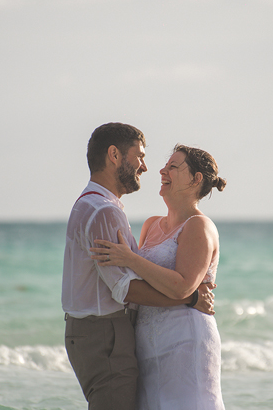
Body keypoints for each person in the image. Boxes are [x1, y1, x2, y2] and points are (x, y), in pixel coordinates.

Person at [62, 123, 215, 410]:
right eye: (140, 156)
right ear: (114, 155)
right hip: (106, 336)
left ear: (195, 180)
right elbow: (126, 288)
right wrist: (191, 298)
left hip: (173, 340)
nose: (147, 167)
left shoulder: (99, 205)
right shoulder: (105, 210)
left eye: (172, 167)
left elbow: (136, 277)